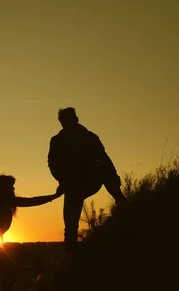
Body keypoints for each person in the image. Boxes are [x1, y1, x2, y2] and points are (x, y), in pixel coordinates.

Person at [47, 107, 128, 261]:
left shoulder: (90, 137)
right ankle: (71, 259)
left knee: (105, 171)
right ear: (62, 123)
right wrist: (62, 181)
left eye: (70, 119)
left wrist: (114, 176)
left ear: (75, 119)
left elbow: (103, 158)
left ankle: (121, 201)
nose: (68, 123)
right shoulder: (57, 141)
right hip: (72, 185)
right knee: (70, 226)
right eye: (65, 120)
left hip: (91, 179)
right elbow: (52, 163)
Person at [0, 174, 61, 291]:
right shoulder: (4, 201)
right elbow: (32, 201)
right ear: (4, 188)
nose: (14, 189)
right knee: (9, 271)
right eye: (11, 187)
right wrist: (54, 196)